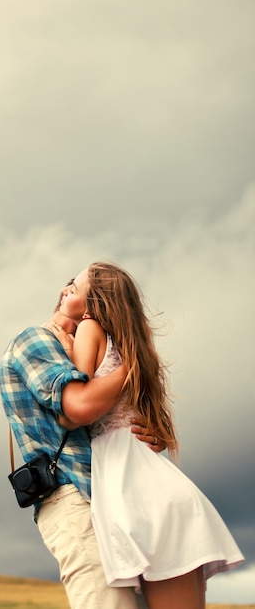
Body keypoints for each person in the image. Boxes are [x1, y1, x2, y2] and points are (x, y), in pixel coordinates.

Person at [50, 261, 244, 609]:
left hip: (135, 487)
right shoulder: (129, 347)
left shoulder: (89, 328)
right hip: (144, 480)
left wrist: (65, 342)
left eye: (74, 287)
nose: (66, 290)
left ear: (96, 302)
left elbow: (72, 410)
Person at [0, 278, 163, 609]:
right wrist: (133, 366)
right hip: (75, 496)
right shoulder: (36, 340)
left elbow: (102, 420)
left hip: (108, 501)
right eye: (70, 285)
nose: (64, 289)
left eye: (76, 286)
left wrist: (143, 433)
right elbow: (78, 409)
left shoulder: (85, 359)